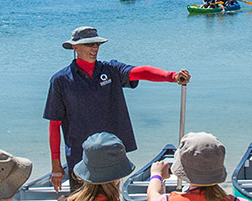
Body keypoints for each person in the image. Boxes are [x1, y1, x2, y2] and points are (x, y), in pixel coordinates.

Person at [44, 26, 188, 191]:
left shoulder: (111, 70)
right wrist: (56, 165)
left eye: (97, 44)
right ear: (75, 47)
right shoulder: (60, 80)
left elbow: (140, 72)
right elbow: (54, 124)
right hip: (79, 158)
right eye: (89, 44)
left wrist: (171, 77)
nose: (95, 48)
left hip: (111, 156)